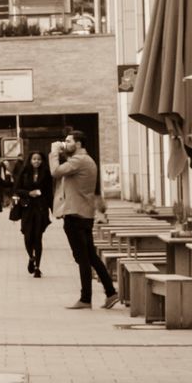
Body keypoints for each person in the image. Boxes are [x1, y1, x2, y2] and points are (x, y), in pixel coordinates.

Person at [50, 132, 120, 310]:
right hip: (85, 213)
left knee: (82, 259)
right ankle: (111, 293)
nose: (65, 144)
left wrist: (53, 152)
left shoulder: (79, 161)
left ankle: (85, 298)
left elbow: (55, 172)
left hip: (75, 215)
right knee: (91, 257)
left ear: (78, 143)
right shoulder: (86, 160)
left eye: (68, 141)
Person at [15, 151, 54, 278]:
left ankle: (38, 266)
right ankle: (31, 258)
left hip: (41, 208)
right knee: (27, 237)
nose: (36, 161)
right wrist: (28, 193)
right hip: (27, 208)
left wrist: (54, 210)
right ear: (30, 160)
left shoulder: (46, 173)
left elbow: (49, 193)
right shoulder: (24, 172)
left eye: (39, 159)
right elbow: (17, 189)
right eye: (34, 159)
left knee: (37, 237)